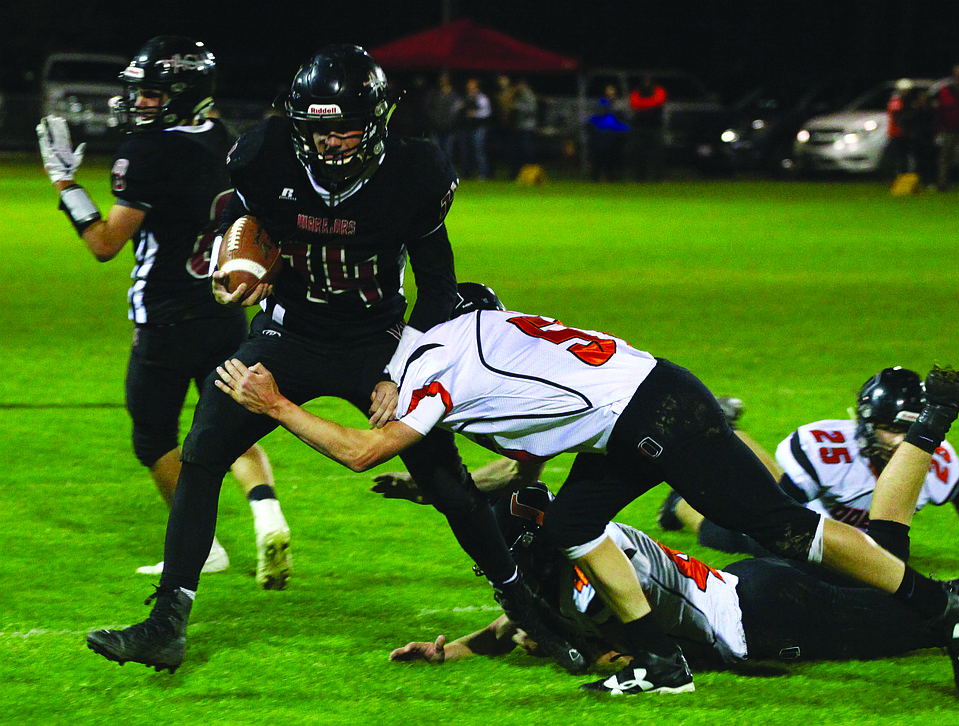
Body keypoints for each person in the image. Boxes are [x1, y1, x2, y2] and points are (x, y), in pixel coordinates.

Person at [211, 282, 959, 695]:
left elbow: (360, 450)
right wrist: (436, 488)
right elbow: (518, 466)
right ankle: (662, 661)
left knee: (780, 527)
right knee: (570, 526)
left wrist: (275, 403)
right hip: (636, 410)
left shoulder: (431, 368)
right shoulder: (470, 340)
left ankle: (938, 603)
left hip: (657, 416)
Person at [85, 49, 581, 678]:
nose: (334, 141)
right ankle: (166, 625)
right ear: (298, 123)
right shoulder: (262, 155)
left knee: (448, 484)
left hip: (379, 339)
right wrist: (239, 258)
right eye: (321, 129)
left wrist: (404, 368)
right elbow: (245, 220)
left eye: (347, 128)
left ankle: (528, 610)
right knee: (204, 450)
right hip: (289, 334)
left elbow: (437, 288)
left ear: (377, 121)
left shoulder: (413, 168)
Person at [388, 483, 959, 684]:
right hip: (755, 589)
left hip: (771, 618)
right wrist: (450, 652)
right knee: (906, 584)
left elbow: (600, 646)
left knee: (945, 609)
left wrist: (593, 660)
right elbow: (530, 622)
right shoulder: (578, 550)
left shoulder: (590, 573)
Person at [35, 35, 287, 583]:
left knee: (153, 438)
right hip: (223, 308)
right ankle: (268, 514)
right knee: (229, 423)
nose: (139, 103)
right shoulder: (222, 137)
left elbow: (104, 242)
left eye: (151, 94)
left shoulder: (146, 152)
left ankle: (204, 547)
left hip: (165, 318)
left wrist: (66, 184)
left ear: (181, 93)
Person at [659, 367, 959, 565]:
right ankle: (680, 502)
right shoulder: (831, 447)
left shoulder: (933, 459)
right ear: (868, 422)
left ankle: (728, 429)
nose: (901, 442)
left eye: (910, 432)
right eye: (893, 429)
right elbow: (773, 512)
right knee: (731, 534)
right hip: (805, 518)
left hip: (846, 540)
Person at [627, 77, 667, 181]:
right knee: (639, 154)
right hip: (640, 128)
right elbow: (635, 103)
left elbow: (658, 101)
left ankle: (658, 178)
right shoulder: (636, 93)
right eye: (645, 81)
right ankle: (640, 178)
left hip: (655, 128)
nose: (646, 83)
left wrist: (643, 105)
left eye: (649, 81)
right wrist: (650, 104)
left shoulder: (659, 91)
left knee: (657, 154)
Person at [588, 85, 630, 182]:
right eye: (600, 107)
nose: (601, 109)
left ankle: (611, 180)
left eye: (603, 108)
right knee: (596, 166)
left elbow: (624, 128)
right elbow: (588, 127)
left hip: (609, 147)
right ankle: (595, 181)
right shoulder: (594, 118)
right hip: (597, 147)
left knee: (609, 166)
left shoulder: (610, 118)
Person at [424, 72, 463, 161]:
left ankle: (446, 170)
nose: (443, 81)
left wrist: (453, 123)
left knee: (448, 151)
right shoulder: (434, 94)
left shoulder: (455, 96)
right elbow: (428, 109)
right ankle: (437, 170)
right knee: (435, 150)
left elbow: (457, 111)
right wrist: (433, 120)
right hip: (435, 126)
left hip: (450, 128)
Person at [458, 77, 491, 180]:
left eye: (472, 85)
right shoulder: (464, 97)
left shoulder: (481, 98)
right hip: (466, 127)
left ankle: (483, 173)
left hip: (478, 128)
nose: (470, 87)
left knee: (479, 151)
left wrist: (475, 114)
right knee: (465, 151)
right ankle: (466, 173)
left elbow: (487, 112)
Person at [886, 78, 914, 177]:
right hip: (896, 133)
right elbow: (897, 116)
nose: (906, 92)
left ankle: (903, 178)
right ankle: (893, 178)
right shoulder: (895, 100)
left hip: (905, 134)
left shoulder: (908, 100)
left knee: (905, 158)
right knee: (895, 157)